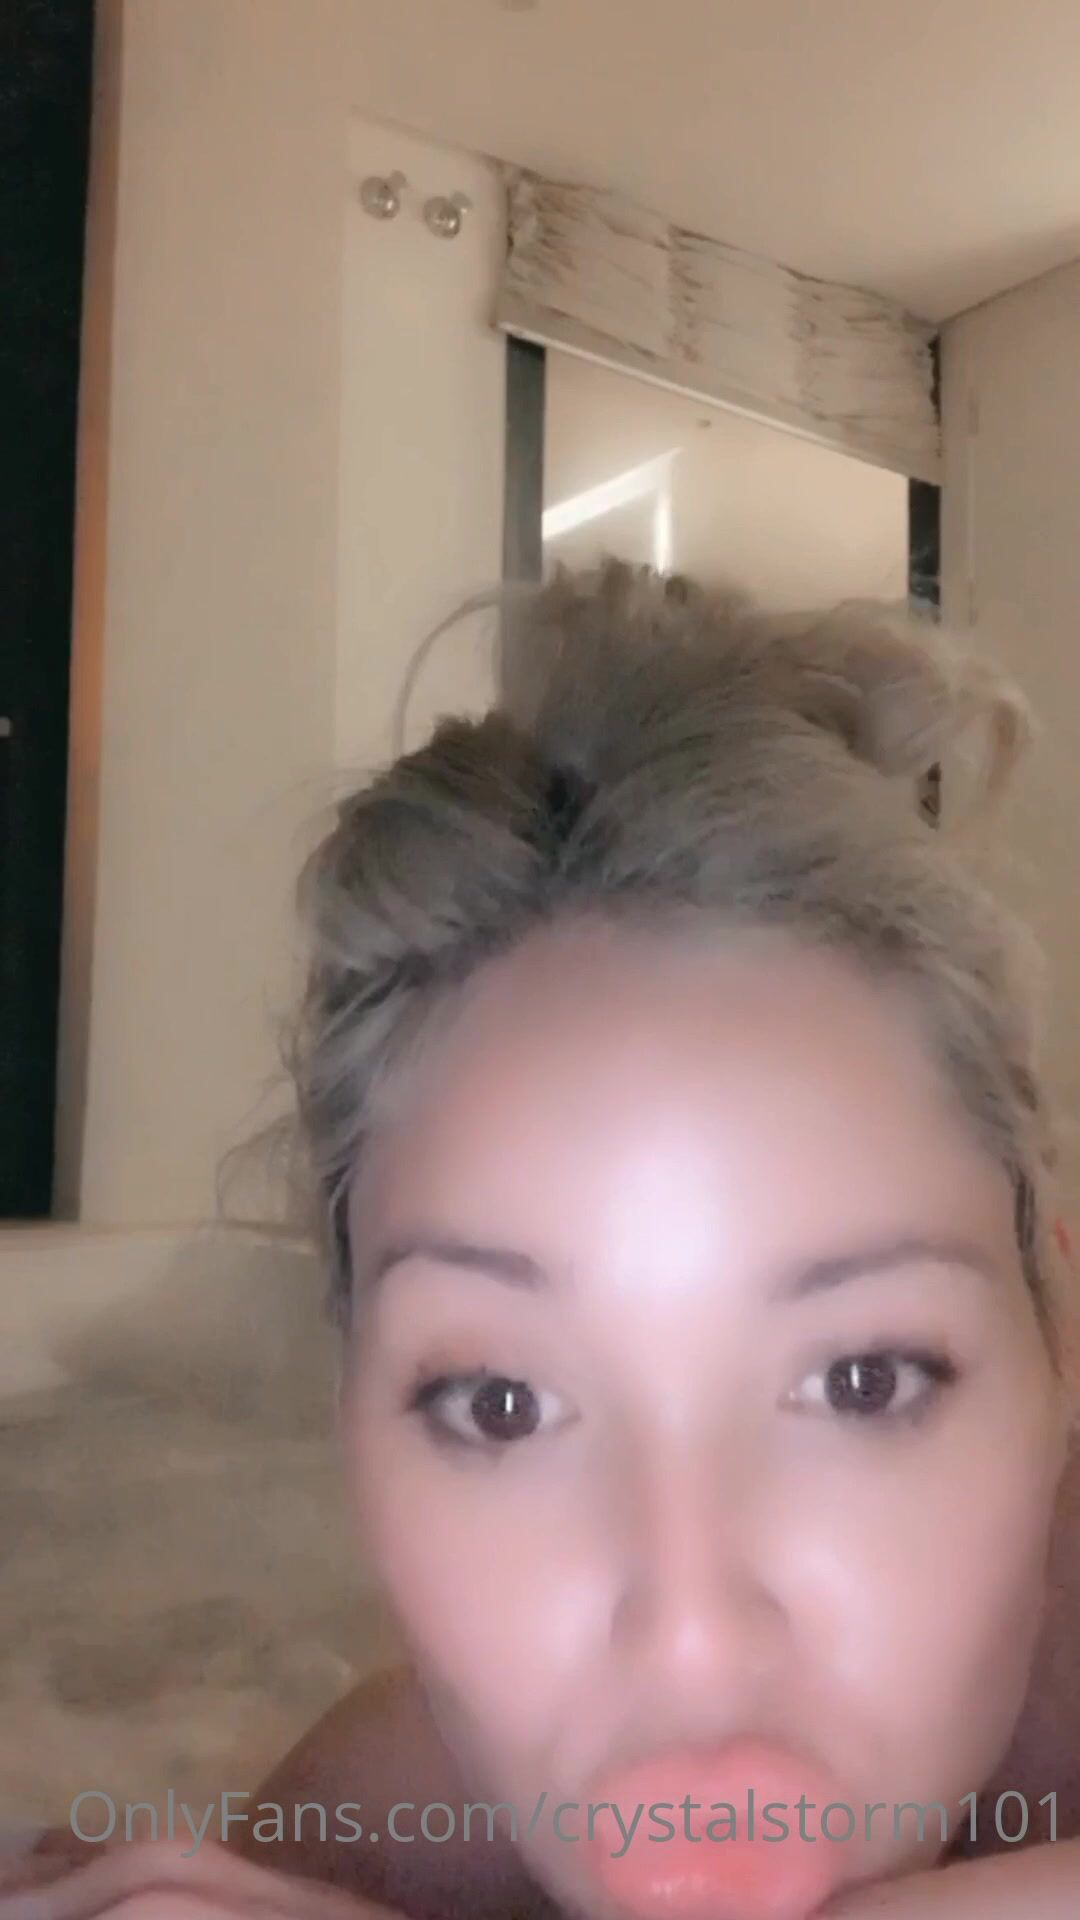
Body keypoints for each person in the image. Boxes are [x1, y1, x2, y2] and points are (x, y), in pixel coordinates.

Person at [9, 560, 1080, 1920]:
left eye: (863, 1381)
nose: (690, 1644)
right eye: (501, 1405)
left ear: (1062, 1337)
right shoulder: (369, 1825)